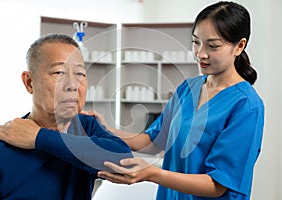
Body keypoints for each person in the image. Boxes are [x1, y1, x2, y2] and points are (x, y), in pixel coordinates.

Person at [88, 1, 264, 199]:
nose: (200, 53)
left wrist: (152, 174)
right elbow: (153, 142)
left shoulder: (246, 106)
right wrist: (103, 130)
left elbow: (217, 184)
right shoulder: (188, 89)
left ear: (239, 46)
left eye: (213, 46)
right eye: (196, 42)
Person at [0, 33, 133, 200]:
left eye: (80, 74)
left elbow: (124, 161)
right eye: (59, 72)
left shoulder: (86, 128)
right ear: (29, 82)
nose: (72, 85)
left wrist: (39, 138)